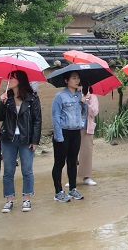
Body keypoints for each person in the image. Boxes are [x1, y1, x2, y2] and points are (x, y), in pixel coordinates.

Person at [0, 71, 42, 213]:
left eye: (12, 78)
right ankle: (9, 200)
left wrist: (35, 140)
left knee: (27, 170)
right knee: (8, 171)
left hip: (25, 139)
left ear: (20, 80)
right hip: (8, 139)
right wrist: (2, 103)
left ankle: (26, 198)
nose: (8, 80)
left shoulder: (32, 98)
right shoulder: (7, 97)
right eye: (8, 77)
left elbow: (37, 121)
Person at [51, 70, 88, 202]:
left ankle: (72, 188)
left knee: (73, 162)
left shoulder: (80, 96)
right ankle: (58, 191)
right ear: (66, 81)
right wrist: (59, 136)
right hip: (63, 132)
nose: (77, 80)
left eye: (78, 78)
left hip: (75, 132)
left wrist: (84, 102)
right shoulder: (60, 96)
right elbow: (55, 116)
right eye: (73, 78)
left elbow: (84, 113)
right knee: (59, 163)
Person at [77, 85, 99, 186]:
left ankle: (86, 176)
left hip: (86, 127)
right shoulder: (73, 96)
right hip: (74, 127)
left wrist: (88, 102)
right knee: (72, 153)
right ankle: (71, 177)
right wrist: (79, 102)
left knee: (86, 152)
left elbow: (94, 113)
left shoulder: (93, 97)